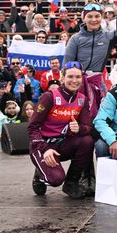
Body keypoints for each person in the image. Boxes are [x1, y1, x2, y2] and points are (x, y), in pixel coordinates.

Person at [28, 61, 94, 198]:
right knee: (56, 179)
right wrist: (44, 149)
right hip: (43, 145)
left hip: (64, 144)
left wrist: (79, 129)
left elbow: (87, 127)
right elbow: (32, 127)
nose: (74, 81)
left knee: (87, 141)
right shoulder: (49, 97)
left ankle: (71, 183)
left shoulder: (83, 100)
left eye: (78, 77)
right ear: (62, 78)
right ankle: (39, 176)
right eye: (70, 77)